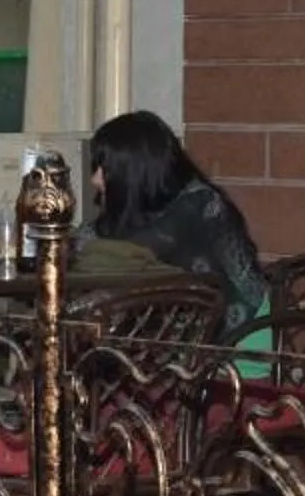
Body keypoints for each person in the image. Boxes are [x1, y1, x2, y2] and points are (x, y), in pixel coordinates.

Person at [85, 110, 270, 344]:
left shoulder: (201, 204)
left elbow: (127, 251)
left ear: (138, 172)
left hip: (239, 340)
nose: (96, 180)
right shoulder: (142, 208)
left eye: (106, 169)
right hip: (181, 346)